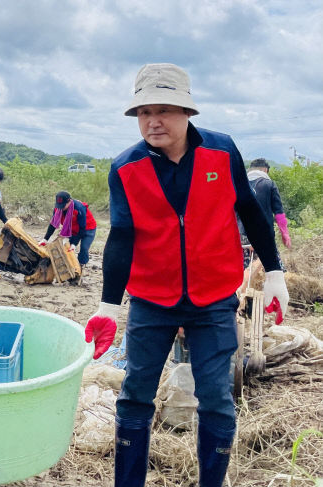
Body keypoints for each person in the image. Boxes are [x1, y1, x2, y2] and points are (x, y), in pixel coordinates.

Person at [82, 63, 289, 487]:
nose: (153, 120)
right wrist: (107, 303)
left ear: (187, 112)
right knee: (136, 394)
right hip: (151, 299)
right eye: (143, 112)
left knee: (216, 398)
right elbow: (121, 235)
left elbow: (249, 209)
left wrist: (274, 273)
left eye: (164, 109)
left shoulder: (221, 151)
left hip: (213, 298)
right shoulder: (126, 167)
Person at [39, 190, 97, 268]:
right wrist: (45, 239)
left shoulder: (79, 208)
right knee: (67, 248)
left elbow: (82, 228)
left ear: (69, 201)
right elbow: (53, 224)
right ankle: (69, 266)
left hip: (88, 228)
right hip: (72, 230)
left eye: (63, 205)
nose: (61, 208)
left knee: (84, 248)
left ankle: (81, 265)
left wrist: (74, 244)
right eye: (59, 205)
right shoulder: (58, 208)